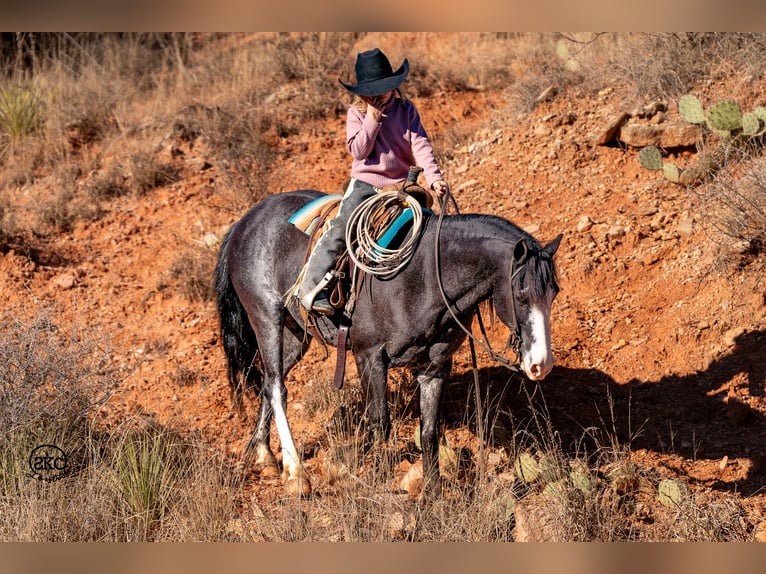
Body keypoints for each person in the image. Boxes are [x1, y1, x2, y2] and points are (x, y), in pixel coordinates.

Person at [297, 47, 450, 315]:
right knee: (340, 229)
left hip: (403, 185)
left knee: (429, 229)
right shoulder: (356, 114)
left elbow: (421, 144)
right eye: (370, 91)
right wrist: (372, 119)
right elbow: (358, 151)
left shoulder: (406, 110)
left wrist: (434, 178)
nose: (376, 95)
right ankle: (311, 289)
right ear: (360, 93)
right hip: (366, 185)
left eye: (383, 88)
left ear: (393, 85)